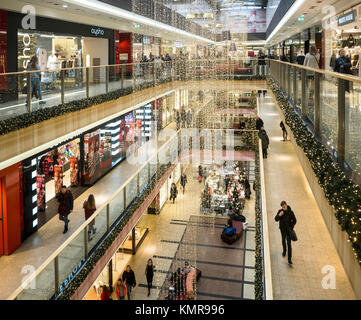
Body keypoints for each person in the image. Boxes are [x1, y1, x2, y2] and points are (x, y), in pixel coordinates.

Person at [275, 201, 297, 265]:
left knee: (289, 244)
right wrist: (279, 215)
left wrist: (291, 227)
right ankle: (284, 251)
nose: (284, 208)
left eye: (284, 206)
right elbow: (276, 219)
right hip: (282, 230)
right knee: (283, 240)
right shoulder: (280, 211)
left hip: (289, 230)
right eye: (282, 207)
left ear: (286, 205)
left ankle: (289, 259)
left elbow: (295, 220)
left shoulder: (290, 212)